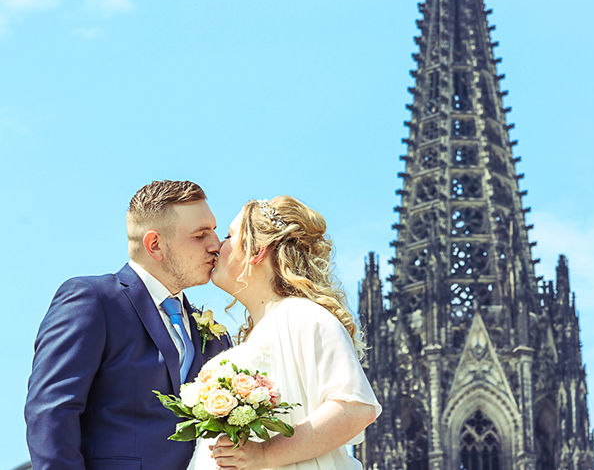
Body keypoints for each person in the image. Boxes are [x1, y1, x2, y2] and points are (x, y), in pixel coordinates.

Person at [25, 180, 232, 470]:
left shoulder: (215, 336)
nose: (216, 245)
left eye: (214, 230)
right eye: (200, 235)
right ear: (155, 245)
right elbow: (52, 411)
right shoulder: (93, 300)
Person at [190, 196, 380, 470]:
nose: (218, 246)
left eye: (229, 236)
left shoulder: (304, 315)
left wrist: (265, 454)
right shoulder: (262, 329)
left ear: (256, 251)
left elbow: (355, 409)